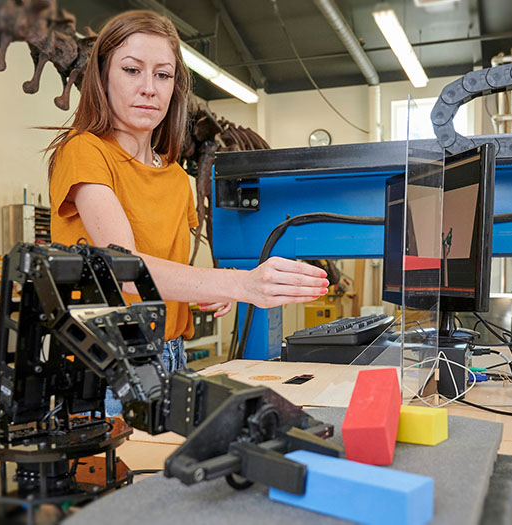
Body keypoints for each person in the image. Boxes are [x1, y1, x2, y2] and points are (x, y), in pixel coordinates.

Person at [46, 10, 329, 414]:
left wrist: (214, 289)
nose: (149, 88)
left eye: (162, 75)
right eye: (132, 70)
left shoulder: (178, 176)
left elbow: (167, 277)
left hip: (171, 353)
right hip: (106, 362)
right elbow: (125, 273)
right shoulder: (85, 152)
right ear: (103, 75)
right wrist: (241, 285)